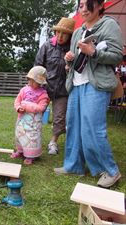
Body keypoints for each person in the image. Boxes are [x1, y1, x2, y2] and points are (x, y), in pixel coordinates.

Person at [54, 0, 123, 188]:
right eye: (81, 5)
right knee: (73, 126)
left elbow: (116, 55)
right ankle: (74, 165)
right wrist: (69, 59)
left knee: (93, 128)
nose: (83, 9)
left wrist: (93, 52)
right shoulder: (77, 31)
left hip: (96, 84)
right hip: (76, 84)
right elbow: (74, 59)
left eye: (87, 5)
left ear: (100, 5)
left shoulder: (108, 25)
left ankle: (110, 171)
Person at [35, 17, 75, 155]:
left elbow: (78, 70)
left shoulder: (73, 49)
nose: (60, 36)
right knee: (35, 113)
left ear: (70, 35)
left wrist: (71, 68)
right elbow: (38, 66)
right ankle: (32, 138)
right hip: (45, 88)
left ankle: (53, 142)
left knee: (59, 117)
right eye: (58, 32)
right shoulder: (46, 46)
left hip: (63, 90)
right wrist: (37, 85)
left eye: (64, 33)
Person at [11, 66, 50, 165]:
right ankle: (20, 151)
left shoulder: (43, 94)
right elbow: (17, 101)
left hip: (33, 122)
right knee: (20, 134)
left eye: (34, 81)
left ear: (40, 82)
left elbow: (41, 108)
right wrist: (19, 107)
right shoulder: (24, 90)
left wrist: (27, 106)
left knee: (31, 137)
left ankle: (30, 155)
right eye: (30, 80)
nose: (31, 83)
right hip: (22, 119)